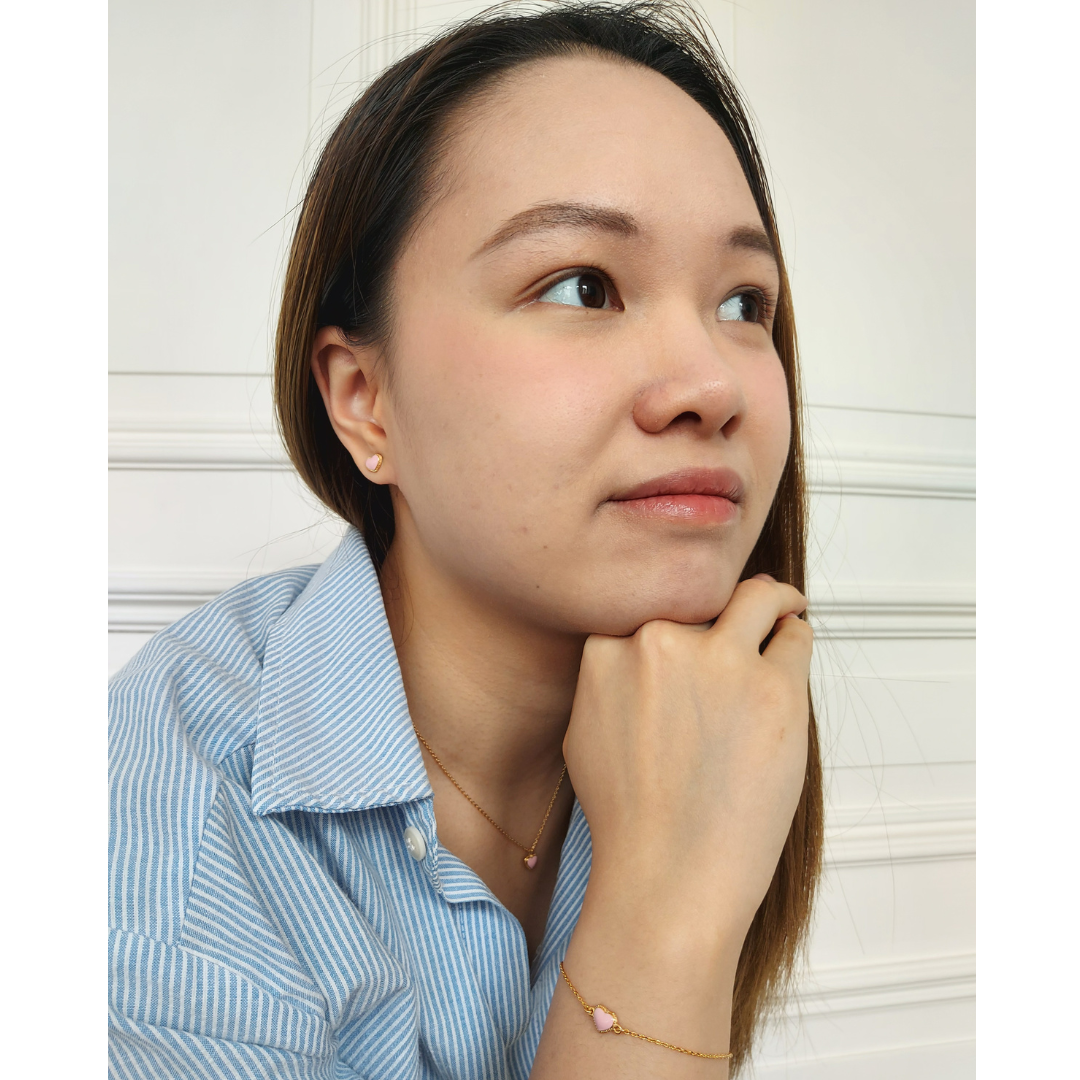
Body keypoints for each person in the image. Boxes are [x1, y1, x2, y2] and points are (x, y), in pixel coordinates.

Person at [108, 3, 822, 1076]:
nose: (712, 387)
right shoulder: (158, 854)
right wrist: (663, 916)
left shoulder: (705, 719)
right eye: (583, 287)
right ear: (364, 399)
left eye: (743, 302)